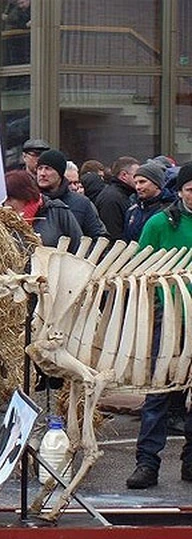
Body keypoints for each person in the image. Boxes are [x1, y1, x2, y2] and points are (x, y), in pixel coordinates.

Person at [126, 163, 192, 489]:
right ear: (180, 190)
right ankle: (147, 463)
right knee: (158, 393)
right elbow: (139, 270)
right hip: (169, 320)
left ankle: (191, 461)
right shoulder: (159, 223)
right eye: (191, 188)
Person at [35, 149, 107, 239]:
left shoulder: (81, 203)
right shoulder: (28, 202)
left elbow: (98, 238)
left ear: (60, 173)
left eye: (48, 169)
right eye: (40, 168)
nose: (42, 173)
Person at [3, 169, 82, 251]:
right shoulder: (6, 222)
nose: (6, 204)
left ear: (25, 195)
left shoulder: (57, 211)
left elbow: (78, 246)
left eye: (10, 199)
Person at [123, 162, 173, 243]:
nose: (138, 187)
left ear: (157, 184)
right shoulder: (132, 211)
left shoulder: (171, 210)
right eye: (136, 183)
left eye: (142, 182)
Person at [94, 156, 138, 241]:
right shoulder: (111, 198)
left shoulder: (127, 195)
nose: (138, 179)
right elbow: (113, 233)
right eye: (136, 175)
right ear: (124, 175)